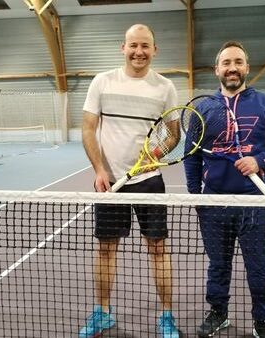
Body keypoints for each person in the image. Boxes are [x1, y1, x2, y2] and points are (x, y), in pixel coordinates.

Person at [184, 41, 265, 338]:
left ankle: (262, 321)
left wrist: (260, 160)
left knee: (259, 268)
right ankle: (218, 313)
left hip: (255, 204)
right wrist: (196, 196)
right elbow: (192, 156)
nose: (232, 67)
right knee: (217, 265)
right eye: (226, 63)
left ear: (247, 67)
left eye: (238, 62)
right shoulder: (203, 109)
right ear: (216, 69)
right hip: (214, 203)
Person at [80, 24, 180, 338]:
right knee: (106, 250)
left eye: (145, 46)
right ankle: (102, 313)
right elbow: (88, 127)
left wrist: (156, 152)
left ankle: (166, 316)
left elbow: (174, 134)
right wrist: (99, 170)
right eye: (133, 45)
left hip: (149, 181)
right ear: (123, 47)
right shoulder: (102, 82)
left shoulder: (165, 88)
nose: (139, 51)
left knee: (158, 250)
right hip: (109, 183)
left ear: (155, 50)